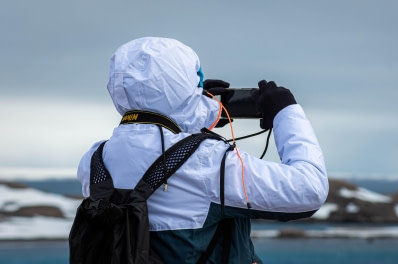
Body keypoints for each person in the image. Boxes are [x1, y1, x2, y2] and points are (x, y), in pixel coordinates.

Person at [77, 37, 328, 263]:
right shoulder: (206, 162)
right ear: (182, 85)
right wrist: (287, 113)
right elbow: (309, 190)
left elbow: (153, 146)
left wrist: (195, 109)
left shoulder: (94, 160)